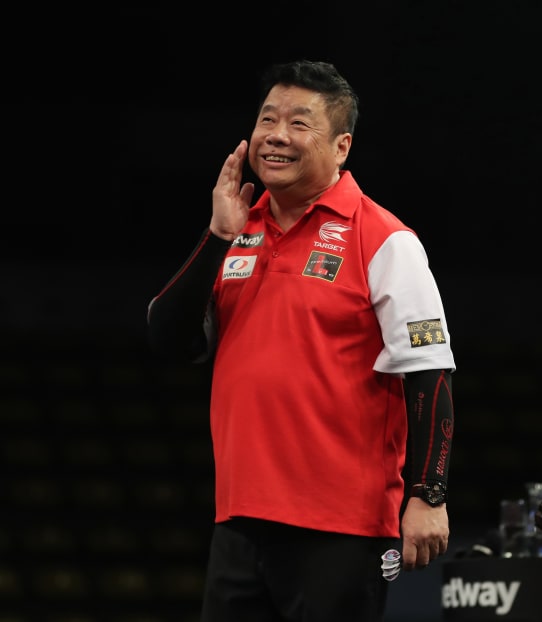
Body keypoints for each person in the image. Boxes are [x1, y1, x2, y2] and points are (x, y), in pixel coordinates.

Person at [146, 59, 456, 622]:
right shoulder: (239, 229)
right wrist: (218, 236)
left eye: (299, 123)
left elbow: (430, 372)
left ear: (341, 147)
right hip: (237, 520)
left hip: (343, 526)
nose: (277, 136)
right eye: (268, 119)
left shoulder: (385, 239)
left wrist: (428, 493)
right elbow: (170, 341)